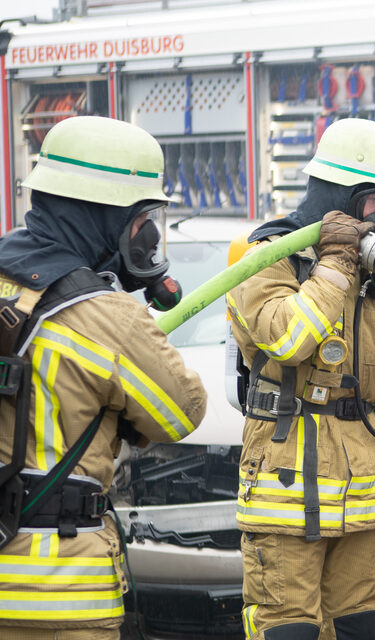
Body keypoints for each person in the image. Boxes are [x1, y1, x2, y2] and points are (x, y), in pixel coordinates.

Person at [228, 118, 375, 640]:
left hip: (365, 500)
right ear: (351, 199)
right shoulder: (267, 257)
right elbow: (288, 340)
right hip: (285, 495)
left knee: (359, 629)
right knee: (289, 631)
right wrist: (335, 263)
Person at [0, 115, 207, 639]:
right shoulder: (107, 315)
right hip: (59, 593)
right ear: (106, 216)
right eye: (142, 222)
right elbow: (183, 411)